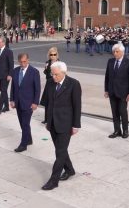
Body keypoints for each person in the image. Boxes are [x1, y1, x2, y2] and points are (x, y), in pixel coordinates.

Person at [40, 61, 81, 190]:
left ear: (64, 72)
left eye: (56, 75)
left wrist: (76, 125)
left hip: (66, 124)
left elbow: (77, 106)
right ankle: (69, 170)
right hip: (52, 123)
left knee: (60, 153)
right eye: (52, 74)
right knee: (60, 150)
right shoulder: (50, 82)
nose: (54, 77)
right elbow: (47, 103)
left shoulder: (74, 84)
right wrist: (47, 121)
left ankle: (53, 180)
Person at [9, 53, 41, 152]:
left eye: (25, 61)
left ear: (28, 60)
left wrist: (35, 102)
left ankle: (23, 145)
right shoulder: (15, 71)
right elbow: (13, 87)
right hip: (18, 102)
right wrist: (12, 100)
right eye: (21, 62)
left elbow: (37, 89)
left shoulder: (34, 72)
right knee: (22, 123)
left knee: (25, 123)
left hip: (28, 103)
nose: (23, 64)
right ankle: (29, 139)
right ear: (18, 61)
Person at [104, 43, 129, 139]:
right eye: (114, 51)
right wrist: (106, 90)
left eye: (117, 51)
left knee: (122, 111)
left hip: (123, 93)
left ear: (122, 52)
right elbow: (107, 77)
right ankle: (117, 130)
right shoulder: (110, 61)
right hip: (112, 91)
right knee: (114, 112)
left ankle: (125, 131)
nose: (115, 53)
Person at [0, 36, 14, 114]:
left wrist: (10, 74)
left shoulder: (9, 51)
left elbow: (11, 64)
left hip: (5, 75)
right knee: (2, 91)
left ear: (3, 43)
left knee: (3, 90)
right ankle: (7, 107)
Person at [41, 47, 59, 124]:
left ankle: (54, 119)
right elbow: (45, 72)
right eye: (51, 54)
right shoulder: (47, 62)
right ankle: (46, 119)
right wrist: (45, 69)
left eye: (54, 54)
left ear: (57, 55)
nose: (53, 56)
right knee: (47, 102)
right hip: (49, 83)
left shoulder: (59, 63)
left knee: (54, 102)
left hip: (56, 84)